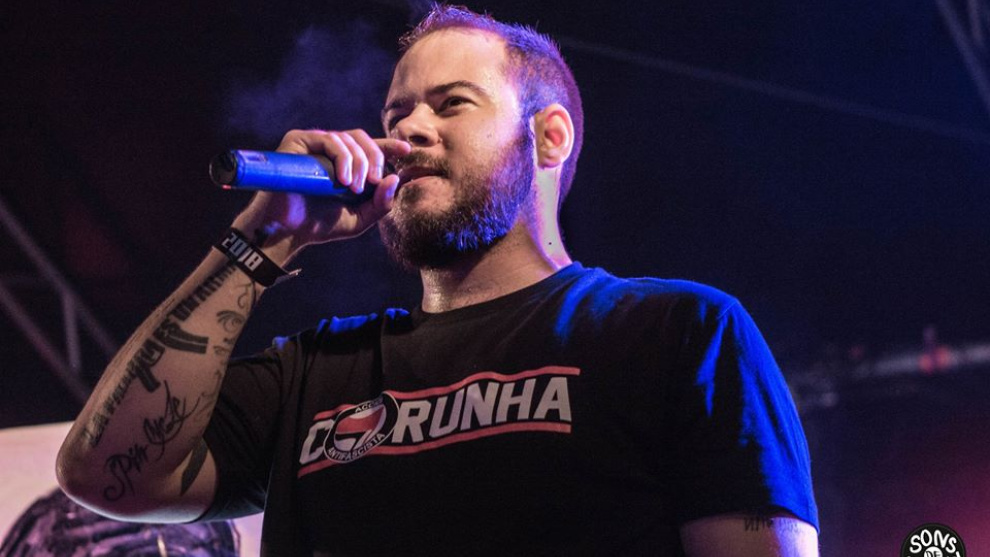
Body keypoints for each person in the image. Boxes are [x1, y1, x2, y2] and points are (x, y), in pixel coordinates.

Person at [57, 5, 819, 555]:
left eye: (451, 104)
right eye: (397, 113)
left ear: (549, 136)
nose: (408, 130)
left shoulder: (676, 332)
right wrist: (263, 238)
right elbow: (104, 473)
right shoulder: (314, 373)